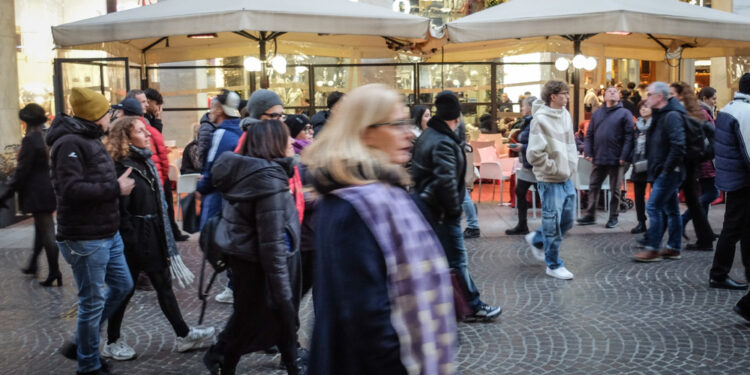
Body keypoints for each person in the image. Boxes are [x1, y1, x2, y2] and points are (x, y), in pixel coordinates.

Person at [303, 83, 457, 375]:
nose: (409, 133)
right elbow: (365, 318)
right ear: (366, 132)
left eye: (407, 122)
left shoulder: (387, 193)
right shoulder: (351, 206)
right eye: (397, 124)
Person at [101, 116, 212, 361]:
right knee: (124, 290)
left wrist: (166, 229)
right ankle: (111, 340)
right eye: (141, 131)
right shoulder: (123, 166)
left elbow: (158, 202)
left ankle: (183, 335)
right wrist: (132, 240)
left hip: (153, 233)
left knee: (163, 285)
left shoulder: (145, 162)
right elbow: (121, 210)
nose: (148, 134)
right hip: (135, 237)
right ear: (126, 138)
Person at [203, 120, 304, 375]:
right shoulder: (268, 180)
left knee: (253, 318)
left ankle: (224, 360)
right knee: (261, 318)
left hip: (247, 259)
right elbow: (271, 242)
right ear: (273, 143)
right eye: (286, 137)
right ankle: (222, 360)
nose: (292, 142)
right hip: (262, 263)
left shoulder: (251, 172)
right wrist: (283, 290)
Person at [48, 88, 134, 375]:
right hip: (85, 238)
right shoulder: (69, 143)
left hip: (107, 233)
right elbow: (69, 190)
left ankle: (81, 344)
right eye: (107, 112)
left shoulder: (90, 138)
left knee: (122, 285)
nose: (111, 116)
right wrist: (115, 188)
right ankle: (88, 364)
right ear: (97, 116)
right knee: (92, 301)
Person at [411, 90, 502, 320]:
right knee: (457, 261)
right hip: (441, 213)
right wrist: (453, 211)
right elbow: (446, 182)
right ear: (455, 118)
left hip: (430, 210)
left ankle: (441, 304)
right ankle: (473, 305)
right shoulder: (442, 141)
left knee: (439, 260)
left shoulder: (429, 135)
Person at [211, 89, 285, 305]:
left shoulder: (266, 141)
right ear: (260, 115)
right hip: (252, 244)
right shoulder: (254, 145)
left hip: (254, 241)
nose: (280, 121)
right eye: (275, 116)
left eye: (282, 115)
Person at [0, 103, 60, 286]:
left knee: (47, 232)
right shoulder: (44, 137)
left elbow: (22, 171)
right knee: (41, 229)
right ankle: (34, 264)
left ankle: (54, 272)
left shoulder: (31, 140)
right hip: (46, 189)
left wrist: (6, 194)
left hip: (37, 192)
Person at [523, 81, 578, 280]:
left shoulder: (565, 114)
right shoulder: (540, 119)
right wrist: (553, 169)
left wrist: (570, 167)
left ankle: (538, 239)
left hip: (566, 176)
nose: (567, 97)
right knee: (553, 223)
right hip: (551, 178)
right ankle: (553, 264)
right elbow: (534, 154)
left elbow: (570, 143)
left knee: (567, 219)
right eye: (564, 94)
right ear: (553, 96)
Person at [125, 90, 188, 241]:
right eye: (143, 101)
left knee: (163, 206)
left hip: (157, 172)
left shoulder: (146, 120)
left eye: (147, 101)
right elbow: (153, 143)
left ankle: (170, 233)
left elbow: (155, 141)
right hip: (152, 173)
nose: (147, 104)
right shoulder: (137, 123)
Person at [633, 82, 686, 262]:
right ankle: (673, 248)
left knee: (653, 206)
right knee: (671, 210)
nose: (646, 98)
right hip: (661, 169)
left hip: (669, 171)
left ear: (660, 97)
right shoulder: (661, 114)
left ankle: (653, 248)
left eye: (649, 94)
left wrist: (666, 169)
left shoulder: (671, 115)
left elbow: (679, 145)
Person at [709, 73, 750, 290]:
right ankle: (718, 273)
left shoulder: (728, 108)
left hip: (733, 177)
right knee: (734, 229)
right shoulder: (746, 112)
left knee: (741, 228)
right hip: (742, 180)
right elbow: (748, 150)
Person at [577, 86, 634, 229]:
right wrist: (588, 152)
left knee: (615, 190)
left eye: (615, 91)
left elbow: (629, 136)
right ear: (604, 96)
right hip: (599, 156)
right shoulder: (597, 114)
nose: (613, 93)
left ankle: (613, 217)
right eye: (610, 91)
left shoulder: (625, 113)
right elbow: (589, 135)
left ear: (619, 96)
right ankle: (590, 215)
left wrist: (624, 156)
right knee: (593, 186)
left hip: (617, 159)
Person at [670, 82, 715, 251]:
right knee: (693, 202)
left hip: (688, 162)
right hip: (691, 162)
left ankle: (659, 238)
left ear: (681, 95)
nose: (670, 95)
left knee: (663, 201)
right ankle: (706, 238)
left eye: (672, 92)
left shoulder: (685, 112)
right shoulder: (690, 111)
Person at [681, 85, 719, 245]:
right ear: (705, 99)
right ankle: (684, 219)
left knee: (707, 194)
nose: (715, 101)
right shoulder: (702, 113)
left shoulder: (703, 112)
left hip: (706, 159)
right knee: (712, 193)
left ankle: (705, 233)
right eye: (714, 98)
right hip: (706, 161)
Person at [506, 96, 538, 235]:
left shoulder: (536, 122)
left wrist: (522, 147)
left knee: (544, 193)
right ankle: (522, 225)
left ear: (530, 107)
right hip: (528, 164)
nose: (521, 108)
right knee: (520, 191)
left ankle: (555, 223)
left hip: (536, 164)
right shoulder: (527, 121)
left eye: (523, 106)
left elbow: (538, 142)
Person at [629, 100, 652, 234]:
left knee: (655, 195)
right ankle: (641, 222)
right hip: (639, 164)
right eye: (641, 107)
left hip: (653, 163)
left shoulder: (656, 124)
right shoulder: (637, 126)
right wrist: (632, 157)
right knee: (638, 195)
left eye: (646, 106)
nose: (643, 109)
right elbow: (633, 143)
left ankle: (656, 222)